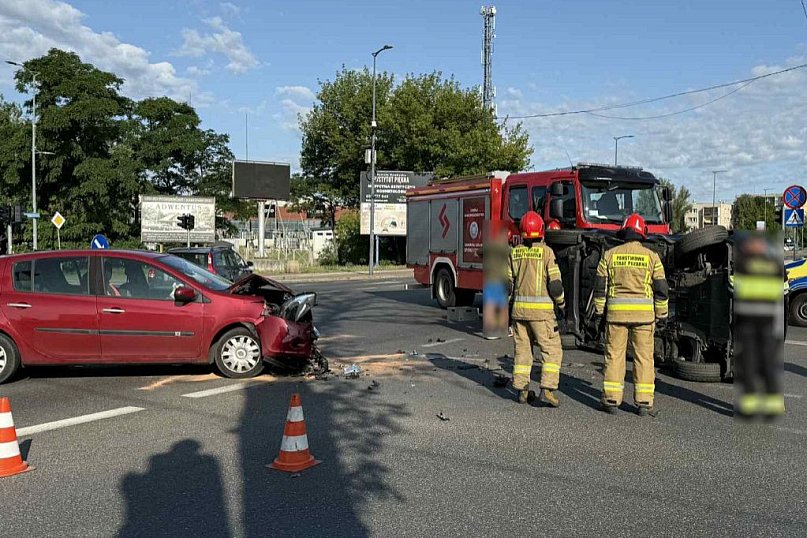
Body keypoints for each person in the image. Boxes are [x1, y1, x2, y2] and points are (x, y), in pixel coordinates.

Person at [593, 213, 668, 416]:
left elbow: (600, 287)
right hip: (644, 318)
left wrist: (599, 311)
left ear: (624, 232)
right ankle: (644, 403)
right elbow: (661, 289)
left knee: (614, 356)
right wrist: (661, 314)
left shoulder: (609, 255)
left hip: (616, 317)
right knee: (644, 358)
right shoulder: (652, 257)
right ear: (642, 233)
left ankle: (611, 400)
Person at [507, 211, 565, 407]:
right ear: (541, 230)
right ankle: (547, 390)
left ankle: (522, 390)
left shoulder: (514, 252)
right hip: (542, 315)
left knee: (522, 351)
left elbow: (507, 284)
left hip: (519, 313)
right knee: (552, 350)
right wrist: (562, 304)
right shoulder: (547, 252)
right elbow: (555, 286)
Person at [732, 232, 786, 419]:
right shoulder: (773, 264)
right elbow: (782, 290)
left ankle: (749, 407)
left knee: (748, 363)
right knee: (768, 363)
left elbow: (734, 289)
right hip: (769, 322)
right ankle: (773, 406)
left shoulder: (744, 264)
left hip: (748, 322)